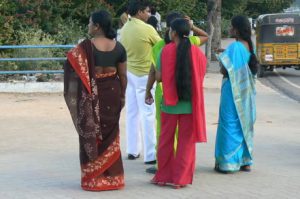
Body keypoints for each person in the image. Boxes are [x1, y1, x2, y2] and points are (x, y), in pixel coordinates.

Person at [64, 10, 127, 191]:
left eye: (90, 23)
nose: (88, 26)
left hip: (91, 95)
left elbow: (71, 63)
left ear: (97, 26)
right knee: (111, 134)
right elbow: (123, 76)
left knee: (90, 132)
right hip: (113, 93)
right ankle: (113, 179)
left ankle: (93, 178)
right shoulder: (119, 47)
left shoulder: (85, 47)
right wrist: (122, 96)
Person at [145, 12, 208, 174]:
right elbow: (200, 73)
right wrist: (192, 26)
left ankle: (164, 170)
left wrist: (147, 92)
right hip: (189, 100)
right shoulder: (195, 49)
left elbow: (155, 75)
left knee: (165, 136)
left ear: (171, 30)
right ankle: (183, 174)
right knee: (185, 141)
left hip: (167, 99)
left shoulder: (161, 48)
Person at [214, 15, 257, 174]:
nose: (229, 29)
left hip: (232, 93)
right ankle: (245, 161)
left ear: (237, 30)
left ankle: (228, 163)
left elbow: (224, 71)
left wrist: (221, 58)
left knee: (229, 124)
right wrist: (226, 53)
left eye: (232, 27)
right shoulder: (248, 46)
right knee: (244, 124)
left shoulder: (235, 47)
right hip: (246, 94)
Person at [120, 0, 161, 164]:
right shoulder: (147, 29)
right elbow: (162, 47)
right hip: (145, 75)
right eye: (147, 11)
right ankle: (150, 155)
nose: (149, 14)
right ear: (139, 12)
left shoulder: (124, 28)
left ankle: (132, 150)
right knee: (148, 114)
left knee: (132, 112)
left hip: (130, 73)